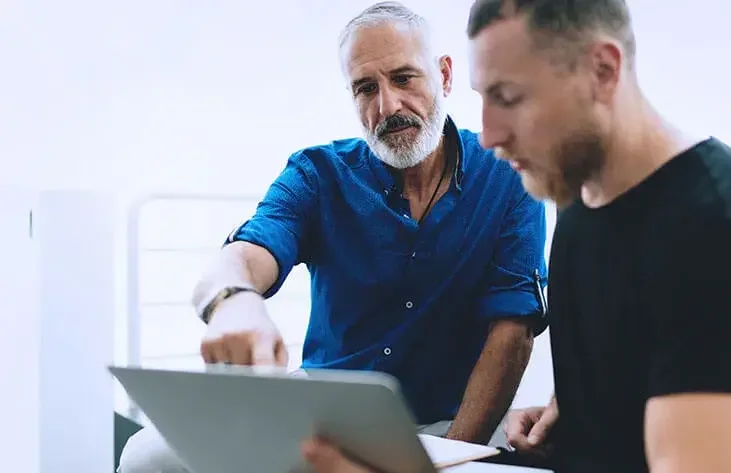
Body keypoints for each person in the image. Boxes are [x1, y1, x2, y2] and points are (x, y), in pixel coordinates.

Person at [300, 0, 731, 472]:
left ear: (603, 70)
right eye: (484, 98)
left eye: (510, 97)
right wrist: (573, 426)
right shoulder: (582, 208)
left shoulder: (727, 234)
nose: (488, 134)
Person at [117, 2, 549, 473]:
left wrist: (448, 458)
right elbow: (244, 254)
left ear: (444, 76)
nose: (388, 106)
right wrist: (233, 300)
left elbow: (512, 334)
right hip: (321, 417)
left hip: (448, 426)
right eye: (366, 88)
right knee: (144, 456)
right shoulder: (317, 173)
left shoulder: (508, 175)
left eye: (404, 78)